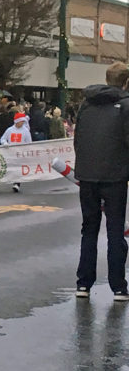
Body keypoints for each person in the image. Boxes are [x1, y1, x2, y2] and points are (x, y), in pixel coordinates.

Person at [73, 62, 129, 301]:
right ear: (126, 82)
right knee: (115, 230)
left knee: (89, 229)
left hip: (87, 174)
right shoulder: (125, 105)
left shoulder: (87, 103)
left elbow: (78, 138)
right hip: (115, 175)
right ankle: (118, 286)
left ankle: (84, 284)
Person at [0, 111, 32, 193]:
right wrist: (5, 143)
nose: (22, 123)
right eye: (21, 121)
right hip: (11, 153)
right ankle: (13, 180)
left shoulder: (25, 131)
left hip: (20, 153)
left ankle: (17, 183)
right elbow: (3, 138)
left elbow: (29, 142)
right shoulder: (9, 130)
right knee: (12, 168)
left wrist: (26, 150)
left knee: (18, 169)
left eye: (23, 122)